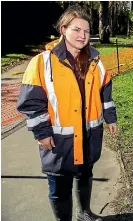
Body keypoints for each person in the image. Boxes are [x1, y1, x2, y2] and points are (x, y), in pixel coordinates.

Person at [17, 5, 117, 221]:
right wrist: (42, 132)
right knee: (59, 185)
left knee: (85, 175)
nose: (83, 36)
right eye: (76, 30)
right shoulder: (42, 63)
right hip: (59, 140)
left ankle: (85, 213)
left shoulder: (96, 61)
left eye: (87, 31)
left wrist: (111, 118)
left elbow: (105, 91)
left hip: (89, 134)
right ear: (63, 29)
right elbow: (31, 103)